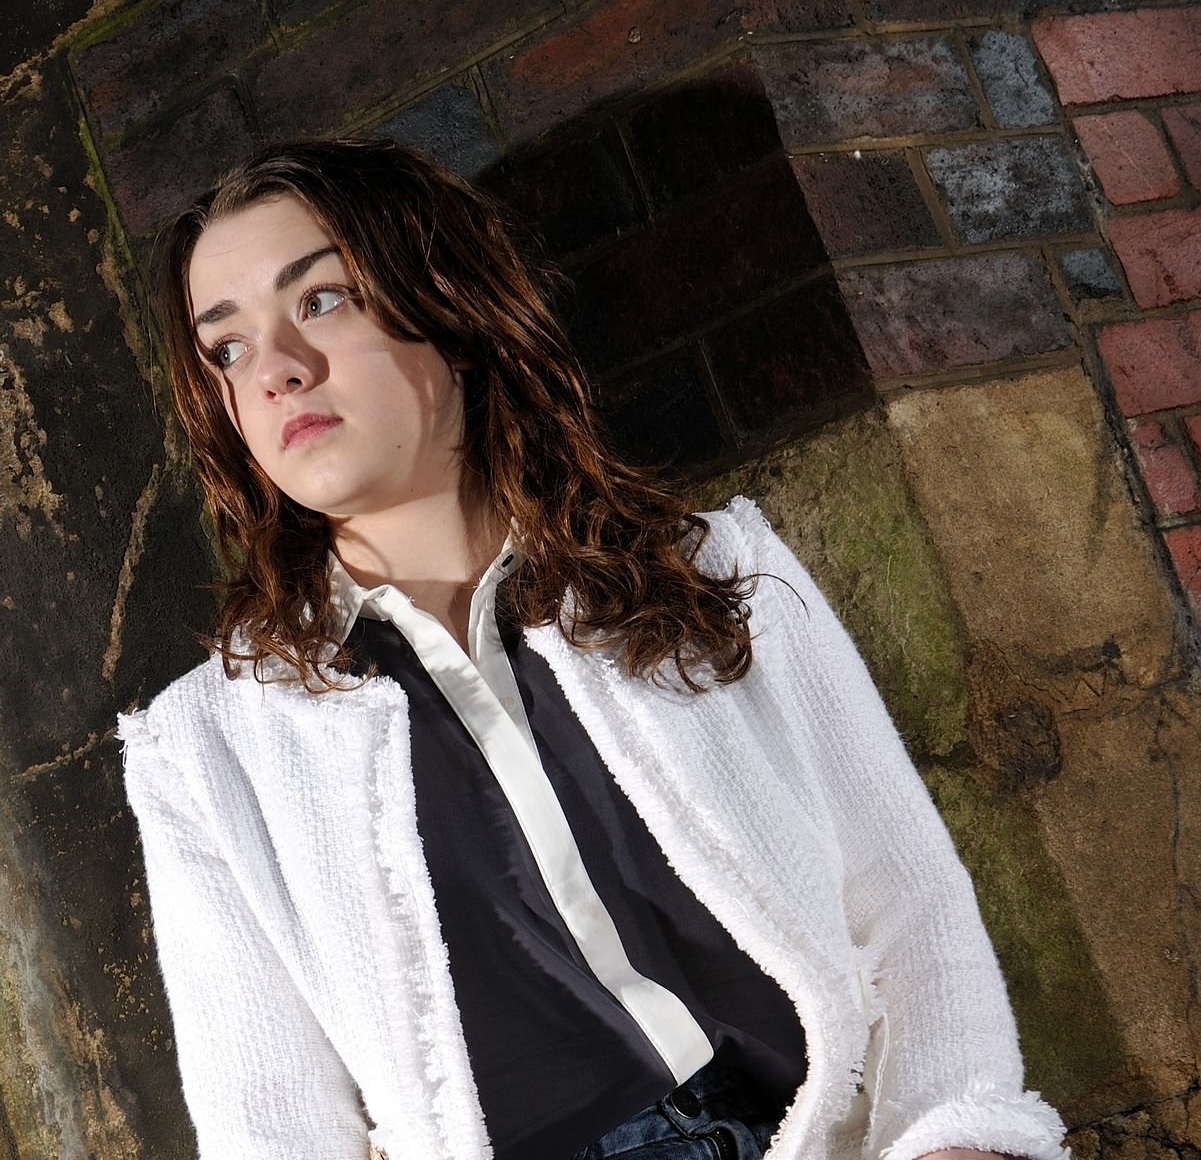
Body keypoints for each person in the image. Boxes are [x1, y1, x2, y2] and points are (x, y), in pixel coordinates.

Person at [117, 138, 1070, 1160]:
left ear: (449, 307)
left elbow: (909, 899)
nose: (276, 371)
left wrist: (952, 1133)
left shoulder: (716, 569)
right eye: (227, 349)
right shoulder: (207, 746)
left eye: (321, 300)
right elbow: (268, 1116)